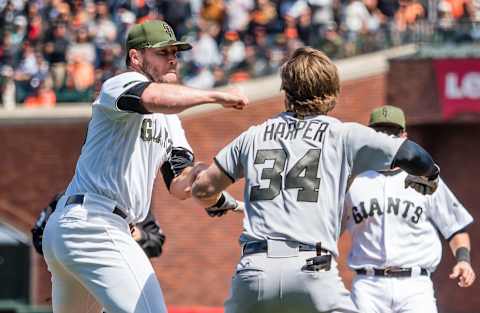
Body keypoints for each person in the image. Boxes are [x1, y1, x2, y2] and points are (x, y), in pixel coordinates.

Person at [190, 46, 441, 313]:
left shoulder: (253, 135)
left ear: (286, 92)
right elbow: (413, 155)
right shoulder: (343, 135)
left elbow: (203, 187)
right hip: (311, 268)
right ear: (332, 92)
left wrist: (215, 201)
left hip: (255, 271)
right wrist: (431, 175)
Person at [41, 20, 248, 313]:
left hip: (84, 227)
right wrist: (215, 96)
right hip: (94, 223)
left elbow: (180, 184)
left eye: (176, 51)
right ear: (136, 57)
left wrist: (209, 179)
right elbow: (155, 98)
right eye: (163, 52)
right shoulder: (119, 84)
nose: (173, 58)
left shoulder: (171, 123)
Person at [344, 105, 475, 313]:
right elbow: (328, 230)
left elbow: (455, 228)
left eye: (392, 133)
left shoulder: (426, 178)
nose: (386, 138)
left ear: (404, 135)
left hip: (415, 287)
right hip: (368, 286)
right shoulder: (353, 181)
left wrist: (463, 261)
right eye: (380, 133)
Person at [32, 193, 166, 259]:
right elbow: (39, 235)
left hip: (122, 282)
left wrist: (140, 236)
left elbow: (157, 242)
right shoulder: (68, 197)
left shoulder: (134, 201)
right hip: (76, 279)